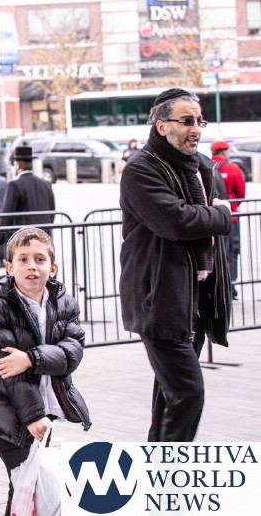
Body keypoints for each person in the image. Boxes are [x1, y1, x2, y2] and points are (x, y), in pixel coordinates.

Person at [120, 88, 233, 442]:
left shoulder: (202, 167)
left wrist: (212, 214)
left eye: (199, 120)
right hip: (160, 300)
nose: (195, 128)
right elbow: (177, 222)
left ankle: (156, 464)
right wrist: (220, 215)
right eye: (186, 120)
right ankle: (173, 467)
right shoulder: (141, 170)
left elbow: (196, 216)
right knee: (188, 393)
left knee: (170, 396)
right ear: (161, 126)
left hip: (196, 297)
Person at [0, 227, 90, 516]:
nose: (32, 267)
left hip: (44, 408)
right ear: (10, 268)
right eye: (23, 260)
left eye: (39, 259)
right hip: (7, 407)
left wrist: (31, 359)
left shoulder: (65, 304)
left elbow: (72, 353)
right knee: (25, 481)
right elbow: (6, 368)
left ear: (53, 268)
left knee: (28, 484)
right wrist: (32, 415)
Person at [211, 140, 246, 300]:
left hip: (211, 218)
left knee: (214, 252)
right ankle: (230, 287)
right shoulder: (233, 168)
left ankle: (216, 286)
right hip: (230, 218)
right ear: (225, 152)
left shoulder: (206, 167)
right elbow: (240, 193)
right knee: (231, 251)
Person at [0, 146, 56, 236]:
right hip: (44, 236)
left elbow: (7, 214)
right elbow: (52, 211)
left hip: (24, 237)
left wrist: (1, 236)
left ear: (18, 165)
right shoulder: (46, 184)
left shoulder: (14, 185)